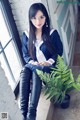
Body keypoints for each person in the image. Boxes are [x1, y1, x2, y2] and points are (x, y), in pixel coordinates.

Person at [19, 3, 63, 120]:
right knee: (28, 70)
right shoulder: (27, 35)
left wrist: (48, 62)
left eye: (41, 17)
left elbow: (59, 52)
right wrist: (33, 63)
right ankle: (24, 113)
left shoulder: (52, 33)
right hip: (36, 69)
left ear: (46, 17)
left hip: (49, 69)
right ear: (30, 19)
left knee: (32, 69)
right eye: (34, 18)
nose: (38, 21)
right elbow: (25, 54)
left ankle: (30, 113)